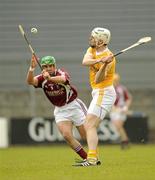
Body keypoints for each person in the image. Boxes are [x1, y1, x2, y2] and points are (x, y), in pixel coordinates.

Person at [26, 55, 88, 161]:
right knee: (66, 135)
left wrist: (50, 78)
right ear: (42, 68)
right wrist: (31, 68)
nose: (48, 68)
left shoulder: (61, 72)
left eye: (51, 65)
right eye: (45, 66)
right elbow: (30, 81)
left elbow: (63, 79)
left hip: (74, 106)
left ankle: (94, 156)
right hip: (60, 110)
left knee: (86, 136)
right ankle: (87, 158)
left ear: (54, 66)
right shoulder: (42, 79)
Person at [74, 27, 117, 166]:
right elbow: (85, 61)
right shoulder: (92, 50)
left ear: (101, 41)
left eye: (93, 37)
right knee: (90, 126)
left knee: (89, 124)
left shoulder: (110, 59)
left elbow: (99, 79)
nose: (90, 39)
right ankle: (93, 158)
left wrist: (105, 64)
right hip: (98, 92)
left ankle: (92, 159)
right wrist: (100, 61)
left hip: (104, 91)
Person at [110, 73, 132, 149]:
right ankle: (125, 140)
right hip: (114, 110)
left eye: (116, 80)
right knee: (118, 127)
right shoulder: (109, 89)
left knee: (118, 125)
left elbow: (128, 98)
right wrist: (114, 108)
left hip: (122, 109)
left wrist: (126, 108)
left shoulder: (122, 88)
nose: (115, 82)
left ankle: (125, 141)